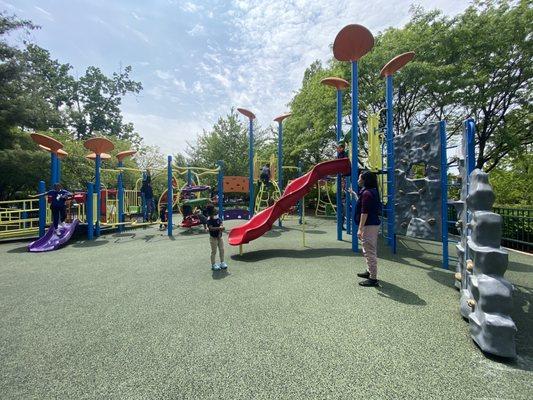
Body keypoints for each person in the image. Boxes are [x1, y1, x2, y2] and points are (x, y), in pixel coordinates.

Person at [351, 171, 382, 287]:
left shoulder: (367, 193)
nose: (358, 180)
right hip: (371, 224)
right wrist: (354, 194)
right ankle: (369, 271)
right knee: (367, 249)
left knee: (369, 251)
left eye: (360, 178)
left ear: (365, 180)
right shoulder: (369, 192)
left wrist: (360, 228)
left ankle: (373, 279)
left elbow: (365, 212)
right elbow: (362, 202)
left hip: (369, 225)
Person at [206, 203, 227, 271]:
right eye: (213, 210)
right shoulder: (209, 219)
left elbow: (220, 223)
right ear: (210, 213)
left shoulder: (217, 217)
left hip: (219, 237)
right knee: (214, 251)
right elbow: (211, 228)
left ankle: (222, 262)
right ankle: (213, 264)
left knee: (222, 250)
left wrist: (221, 227)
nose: (215, 211)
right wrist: (219, 228)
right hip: (213, 238)